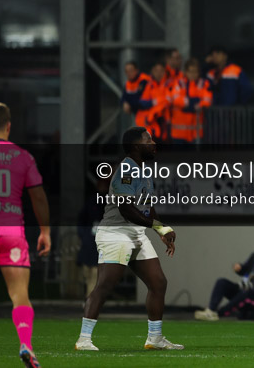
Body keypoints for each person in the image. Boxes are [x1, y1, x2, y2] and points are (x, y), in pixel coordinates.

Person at [76, 126, 183, 352]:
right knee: (105, 285)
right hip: (116, 233)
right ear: (136, 146)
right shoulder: (126, 169)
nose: (153, 143)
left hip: (135, 233)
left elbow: (147, 208)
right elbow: (126, 209)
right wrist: (158, 226)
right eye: (149, 139)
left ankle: (154, 338)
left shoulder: (143, 171)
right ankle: (83, 339)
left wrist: (161, 231)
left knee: (158, 283)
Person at [0, 102, 51, 368]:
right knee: (19, 294)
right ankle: (26, 345)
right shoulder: (23, 156)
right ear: (8, 126)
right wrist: (45, 232)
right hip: (12, 233)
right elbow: (38, 197)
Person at [194, 232, 254, 321]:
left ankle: (218, 314)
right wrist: (240, 268)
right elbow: (245, 270)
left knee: (245, 293)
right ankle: (211, 310)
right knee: (222, 282)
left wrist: (252, 289)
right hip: (245, 290)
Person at [169, 58, 213, 144]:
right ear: (185, 72)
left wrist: (187, 104)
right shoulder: (179, 83)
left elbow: (207, 100)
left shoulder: (204, 83)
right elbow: (175, 99)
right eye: (190, 71)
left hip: (195, 132)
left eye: (195, 71)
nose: (193, 74)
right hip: (179, 132)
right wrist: (194, 103)